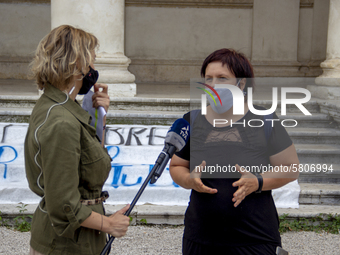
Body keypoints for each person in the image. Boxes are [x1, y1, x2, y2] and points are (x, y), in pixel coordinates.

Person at [169, 48, 299, 255]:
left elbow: (290, 168)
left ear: (242, 83)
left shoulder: (265, 120)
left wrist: (258, 181)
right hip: (201, 239)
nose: (213, 85)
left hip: (254, 239)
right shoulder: (192, 120)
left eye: (222, 78)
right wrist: (188, 180)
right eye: (208, 78)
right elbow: (177, 165)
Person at [25, 25, 130, 255]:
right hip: (67, 244)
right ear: (76, 65)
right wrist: (109, 224)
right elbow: (64, 205)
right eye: (91, 60)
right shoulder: (61, 121)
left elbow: (90, 162)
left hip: (79, 239)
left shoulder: (60, 106)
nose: (94, 68)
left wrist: (98, 116)